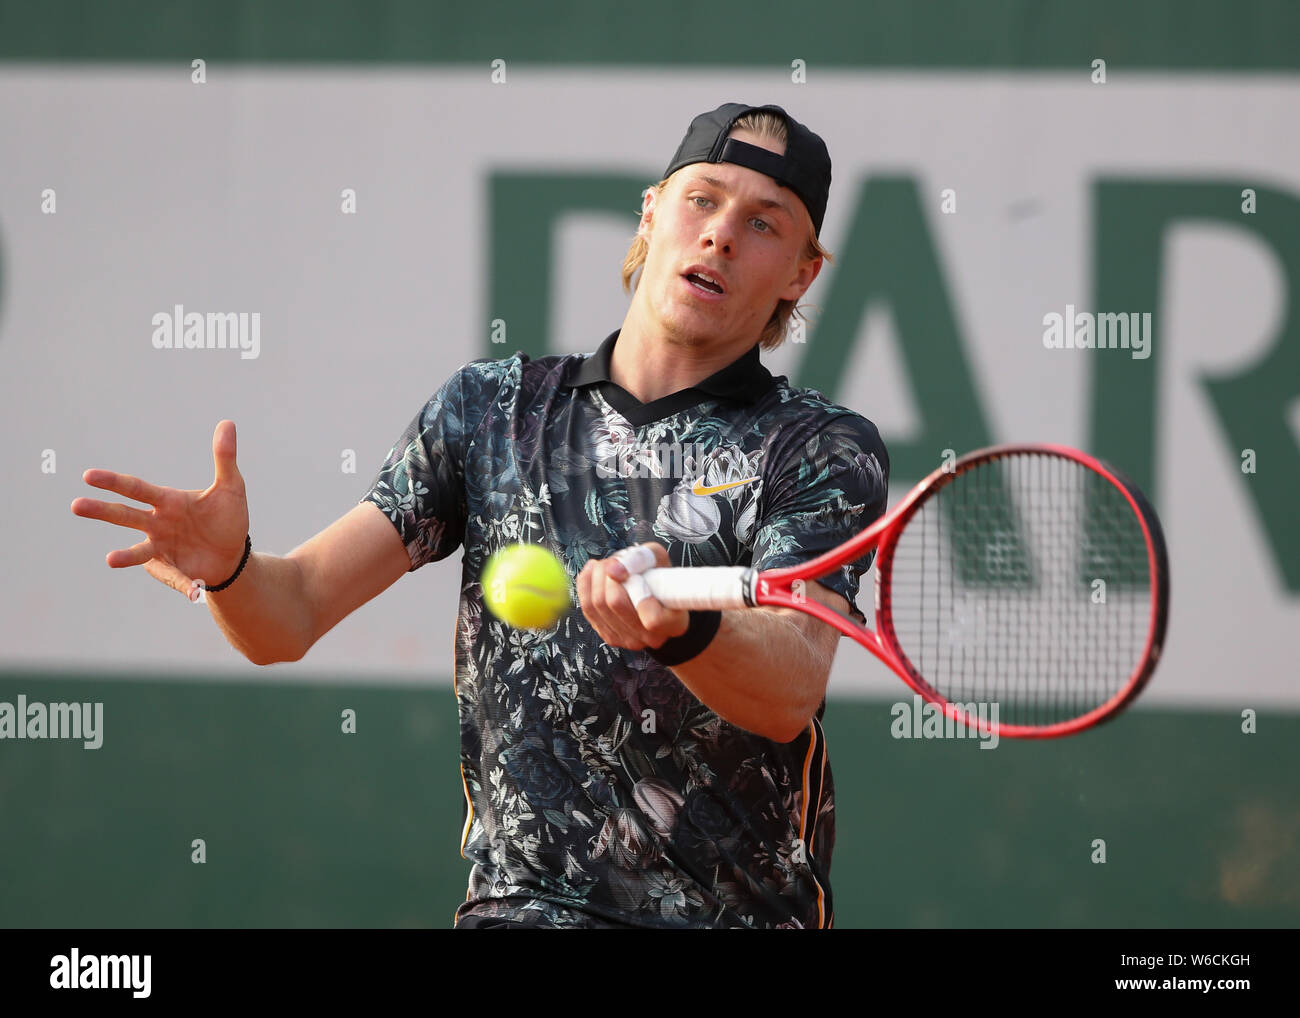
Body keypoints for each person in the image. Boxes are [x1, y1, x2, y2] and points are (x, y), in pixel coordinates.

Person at [71, 102, 889, 929]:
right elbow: (289, 615)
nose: (719, 235)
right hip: (519, 912)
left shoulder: (820, 448)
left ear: (800, 274)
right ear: (651, 211)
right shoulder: (490, 410)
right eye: (702, 200)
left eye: (762, 223)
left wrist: (682, 632)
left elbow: (791, 682)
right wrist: (233, 569)